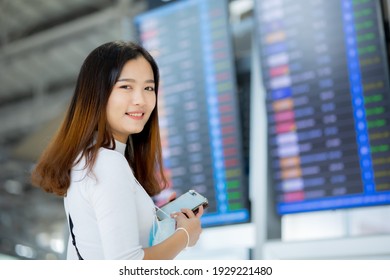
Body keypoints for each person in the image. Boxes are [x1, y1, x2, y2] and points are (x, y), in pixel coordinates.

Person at [31, 40, 204, 260]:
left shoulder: (91, 160)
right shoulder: (106, 162)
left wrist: (162, 225)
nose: (140, 100)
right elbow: (126, 265)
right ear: (97, 93)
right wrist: (185, 236)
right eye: (126, 87)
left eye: (148, 88)